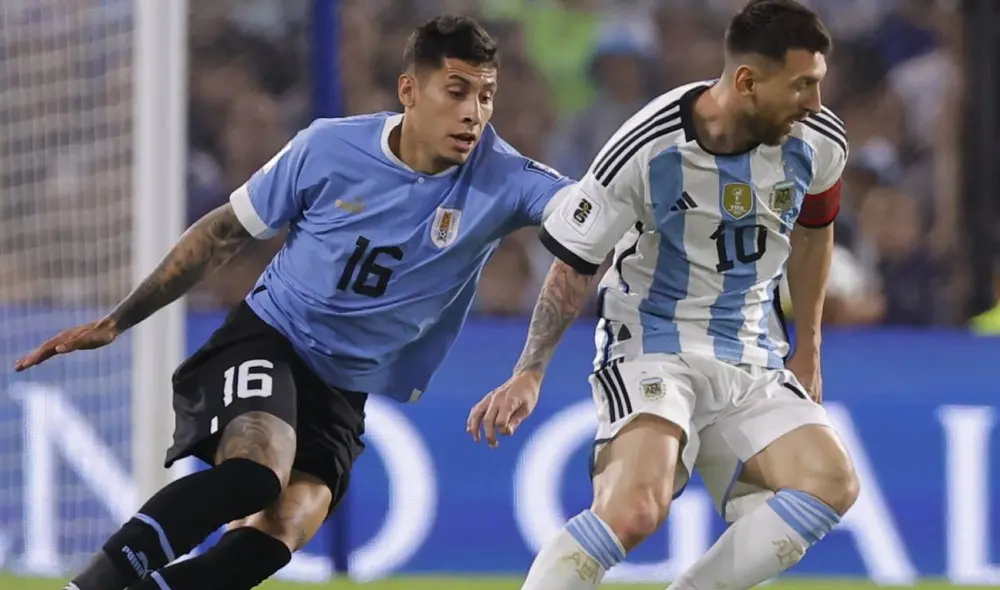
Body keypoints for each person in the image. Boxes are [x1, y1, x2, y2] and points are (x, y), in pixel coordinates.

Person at [15, 16, 574, 590]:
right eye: (456, 92)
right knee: (257, 474)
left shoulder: (505, 177)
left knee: (283, 529)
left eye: (486, 96)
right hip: (269, 338)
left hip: (342, 389)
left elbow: (584, 221)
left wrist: (532, 367)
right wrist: (119, 319)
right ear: (409, 90)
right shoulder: (329, 147)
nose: (473, 114)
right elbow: (224, 233)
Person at [468, 1, 859, 589]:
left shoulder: (819, 140)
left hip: (750, 352)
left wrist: (810, 347)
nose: (815, 103)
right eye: (803, 85)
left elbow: (814, 233)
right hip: (652, 344)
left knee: (832, 482)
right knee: (635, 510)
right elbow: (574, 264)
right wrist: (530, 370)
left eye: (819, 84)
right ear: (748, 81)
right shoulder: (647, 146)